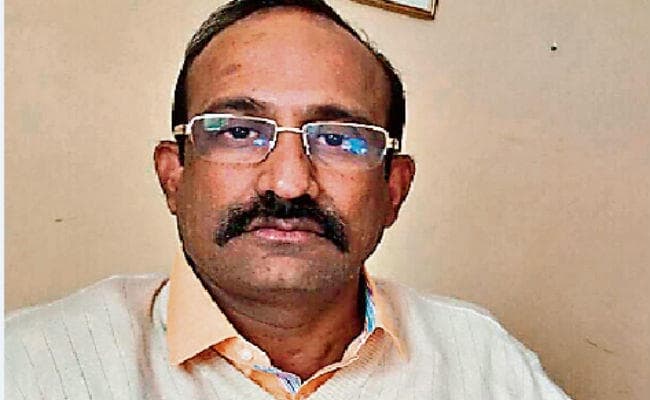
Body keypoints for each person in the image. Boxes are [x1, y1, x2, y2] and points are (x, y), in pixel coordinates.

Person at [5, 1, 572, 399]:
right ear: (173, 175)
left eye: (340, 140)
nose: (289, 182)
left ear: (393, 189)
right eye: (238, 132)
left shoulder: (485, 363)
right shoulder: (29, 366)